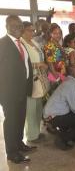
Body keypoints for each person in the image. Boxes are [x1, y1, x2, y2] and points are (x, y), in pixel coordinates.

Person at [0, 15, 35, 164]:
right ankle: (12, 152)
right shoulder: (2, 44)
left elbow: (25, 66)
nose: (18, 29)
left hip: (22, 90)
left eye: (20, 26)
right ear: (7, 27)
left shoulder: (21, 43)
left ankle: (19, 143)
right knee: (11, 122)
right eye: (14, 26)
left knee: (20, 119)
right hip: (9, 92)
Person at [44, 65, 75, 150]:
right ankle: (62, 138)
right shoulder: (72, 84)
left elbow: (72, 102)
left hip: (53, 113)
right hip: (54, 116)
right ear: (73, 72)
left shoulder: (69, 81)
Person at [21, 21, 48, 143]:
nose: (33, 32)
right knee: (30, 108)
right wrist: (37, 65)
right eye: (30, 30)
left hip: (40, 78)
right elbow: (21, 64)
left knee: (38, 107)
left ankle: (37, 132)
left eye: (33, 30)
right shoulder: (21, 44)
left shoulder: (34, 42)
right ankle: (31, 135)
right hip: (29, 80)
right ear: (23, 30)